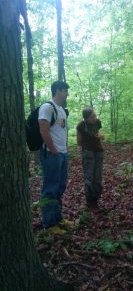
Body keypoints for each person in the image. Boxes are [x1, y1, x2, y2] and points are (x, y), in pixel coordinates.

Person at [38, 80, 72, 234]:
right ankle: (50, 224)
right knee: (50, 188)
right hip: (52, 154)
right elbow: (43, 131)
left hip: (62, 153)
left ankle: (58, 218)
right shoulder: (47, 107)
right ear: (58, 90)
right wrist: (53, 150)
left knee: (60, 186)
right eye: (65, 90)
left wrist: (63, 151)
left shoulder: (62, 109)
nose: (67, 93)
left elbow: (60, 131)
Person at [76, 107, 104, 209]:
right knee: (89, 177)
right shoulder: (81, 125)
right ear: (86, 118)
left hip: (98, 152)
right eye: (92, 116)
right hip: (88, 153)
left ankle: (94, 200)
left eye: (95, 116)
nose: (95, 118)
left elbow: (97, 134)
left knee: (97, 176)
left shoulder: (97, 122)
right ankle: (90, 201)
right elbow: (79, 141)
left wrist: (98, 137)